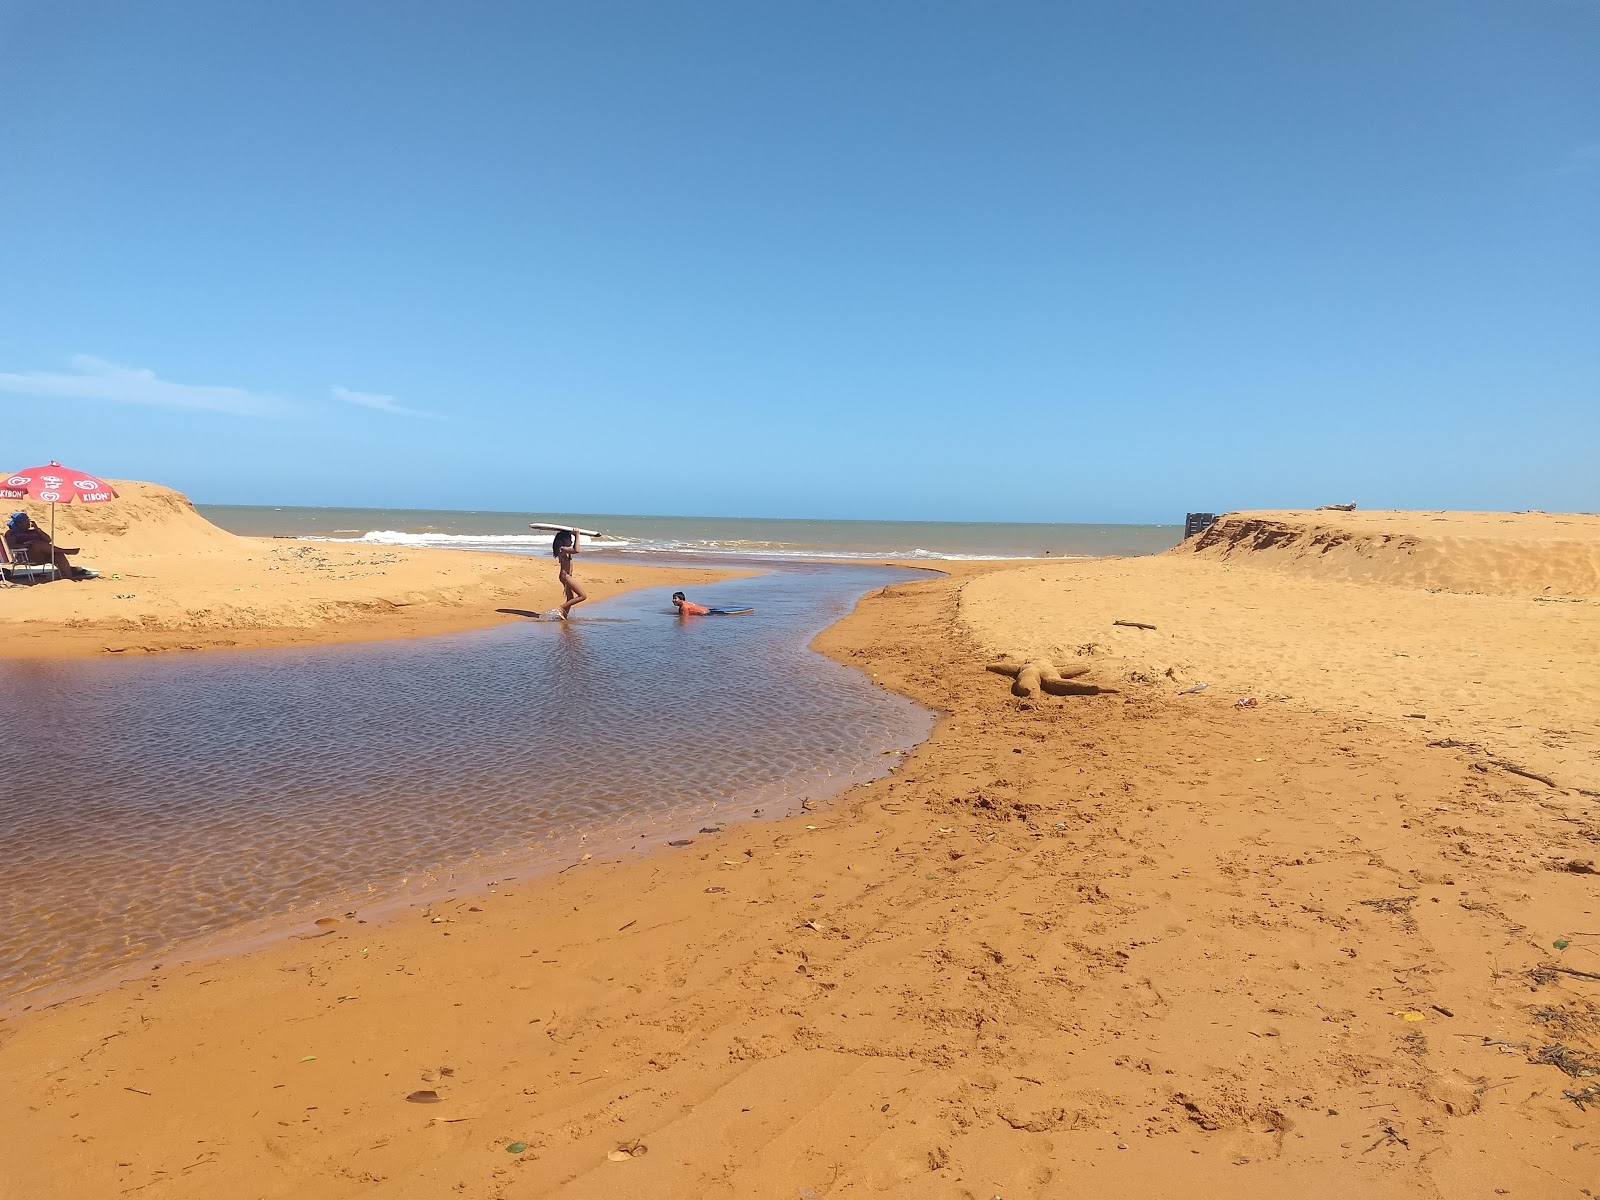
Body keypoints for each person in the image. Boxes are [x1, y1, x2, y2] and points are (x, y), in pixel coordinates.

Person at [4, 512, 93, 580]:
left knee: (58, 555)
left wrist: (38, 529)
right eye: (27, 521)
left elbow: (48, 540)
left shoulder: (33, 531)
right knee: (36, 544)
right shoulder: (11, 533)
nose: (29, 523)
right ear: (19, 523)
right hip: (25, 556)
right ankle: (63, 550)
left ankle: (68, 577)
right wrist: (25, 544)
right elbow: (12, 546)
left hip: (42, 556)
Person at [552, 528, 587, 619]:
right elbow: (577, 550)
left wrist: (575, 536)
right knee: (583, 596)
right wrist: (578, 535)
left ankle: (563, 616)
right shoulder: (562, 549)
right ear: (564, 540)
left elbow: (574, 549)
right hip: (565, 576)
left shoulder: (565, 549)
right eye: (570, 540)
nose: (571, 542)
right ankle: (561, 608)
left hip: (566, 576)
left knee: (571, 598)